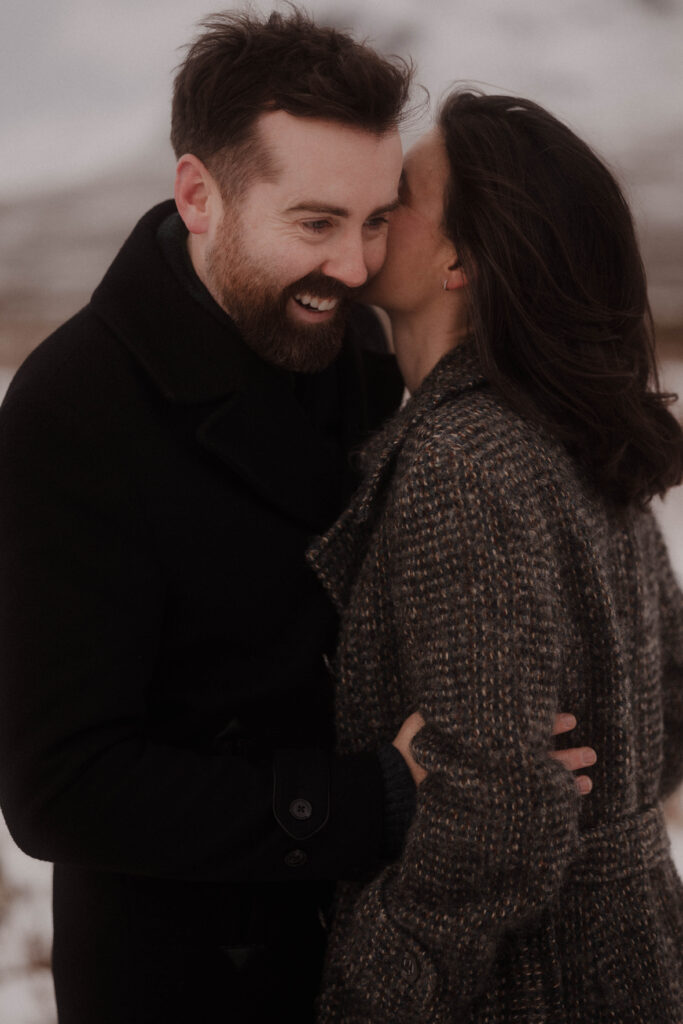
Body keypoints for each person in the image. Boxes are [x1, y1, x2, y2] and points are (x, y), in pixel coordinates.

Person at [0, 12, 594, 1024]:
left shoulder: (353, 347)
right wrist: (368, 797)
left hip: (377, 950)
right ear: (199, 194)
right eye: (316, 222)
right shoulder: (71, 410)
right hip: (191, 978)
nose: (358, 266)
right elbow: (59, 787)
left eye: (375, 219)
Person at [308, 90, 683, 1023]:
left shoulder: (459, 463)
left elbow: (499, 815)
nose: (372, 205)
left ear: (459, 260)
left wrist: (373, 983)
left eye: (401, 192)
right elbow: (669, 703)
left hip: (522, 985)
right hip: (636, 955)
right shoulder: (571, 430)